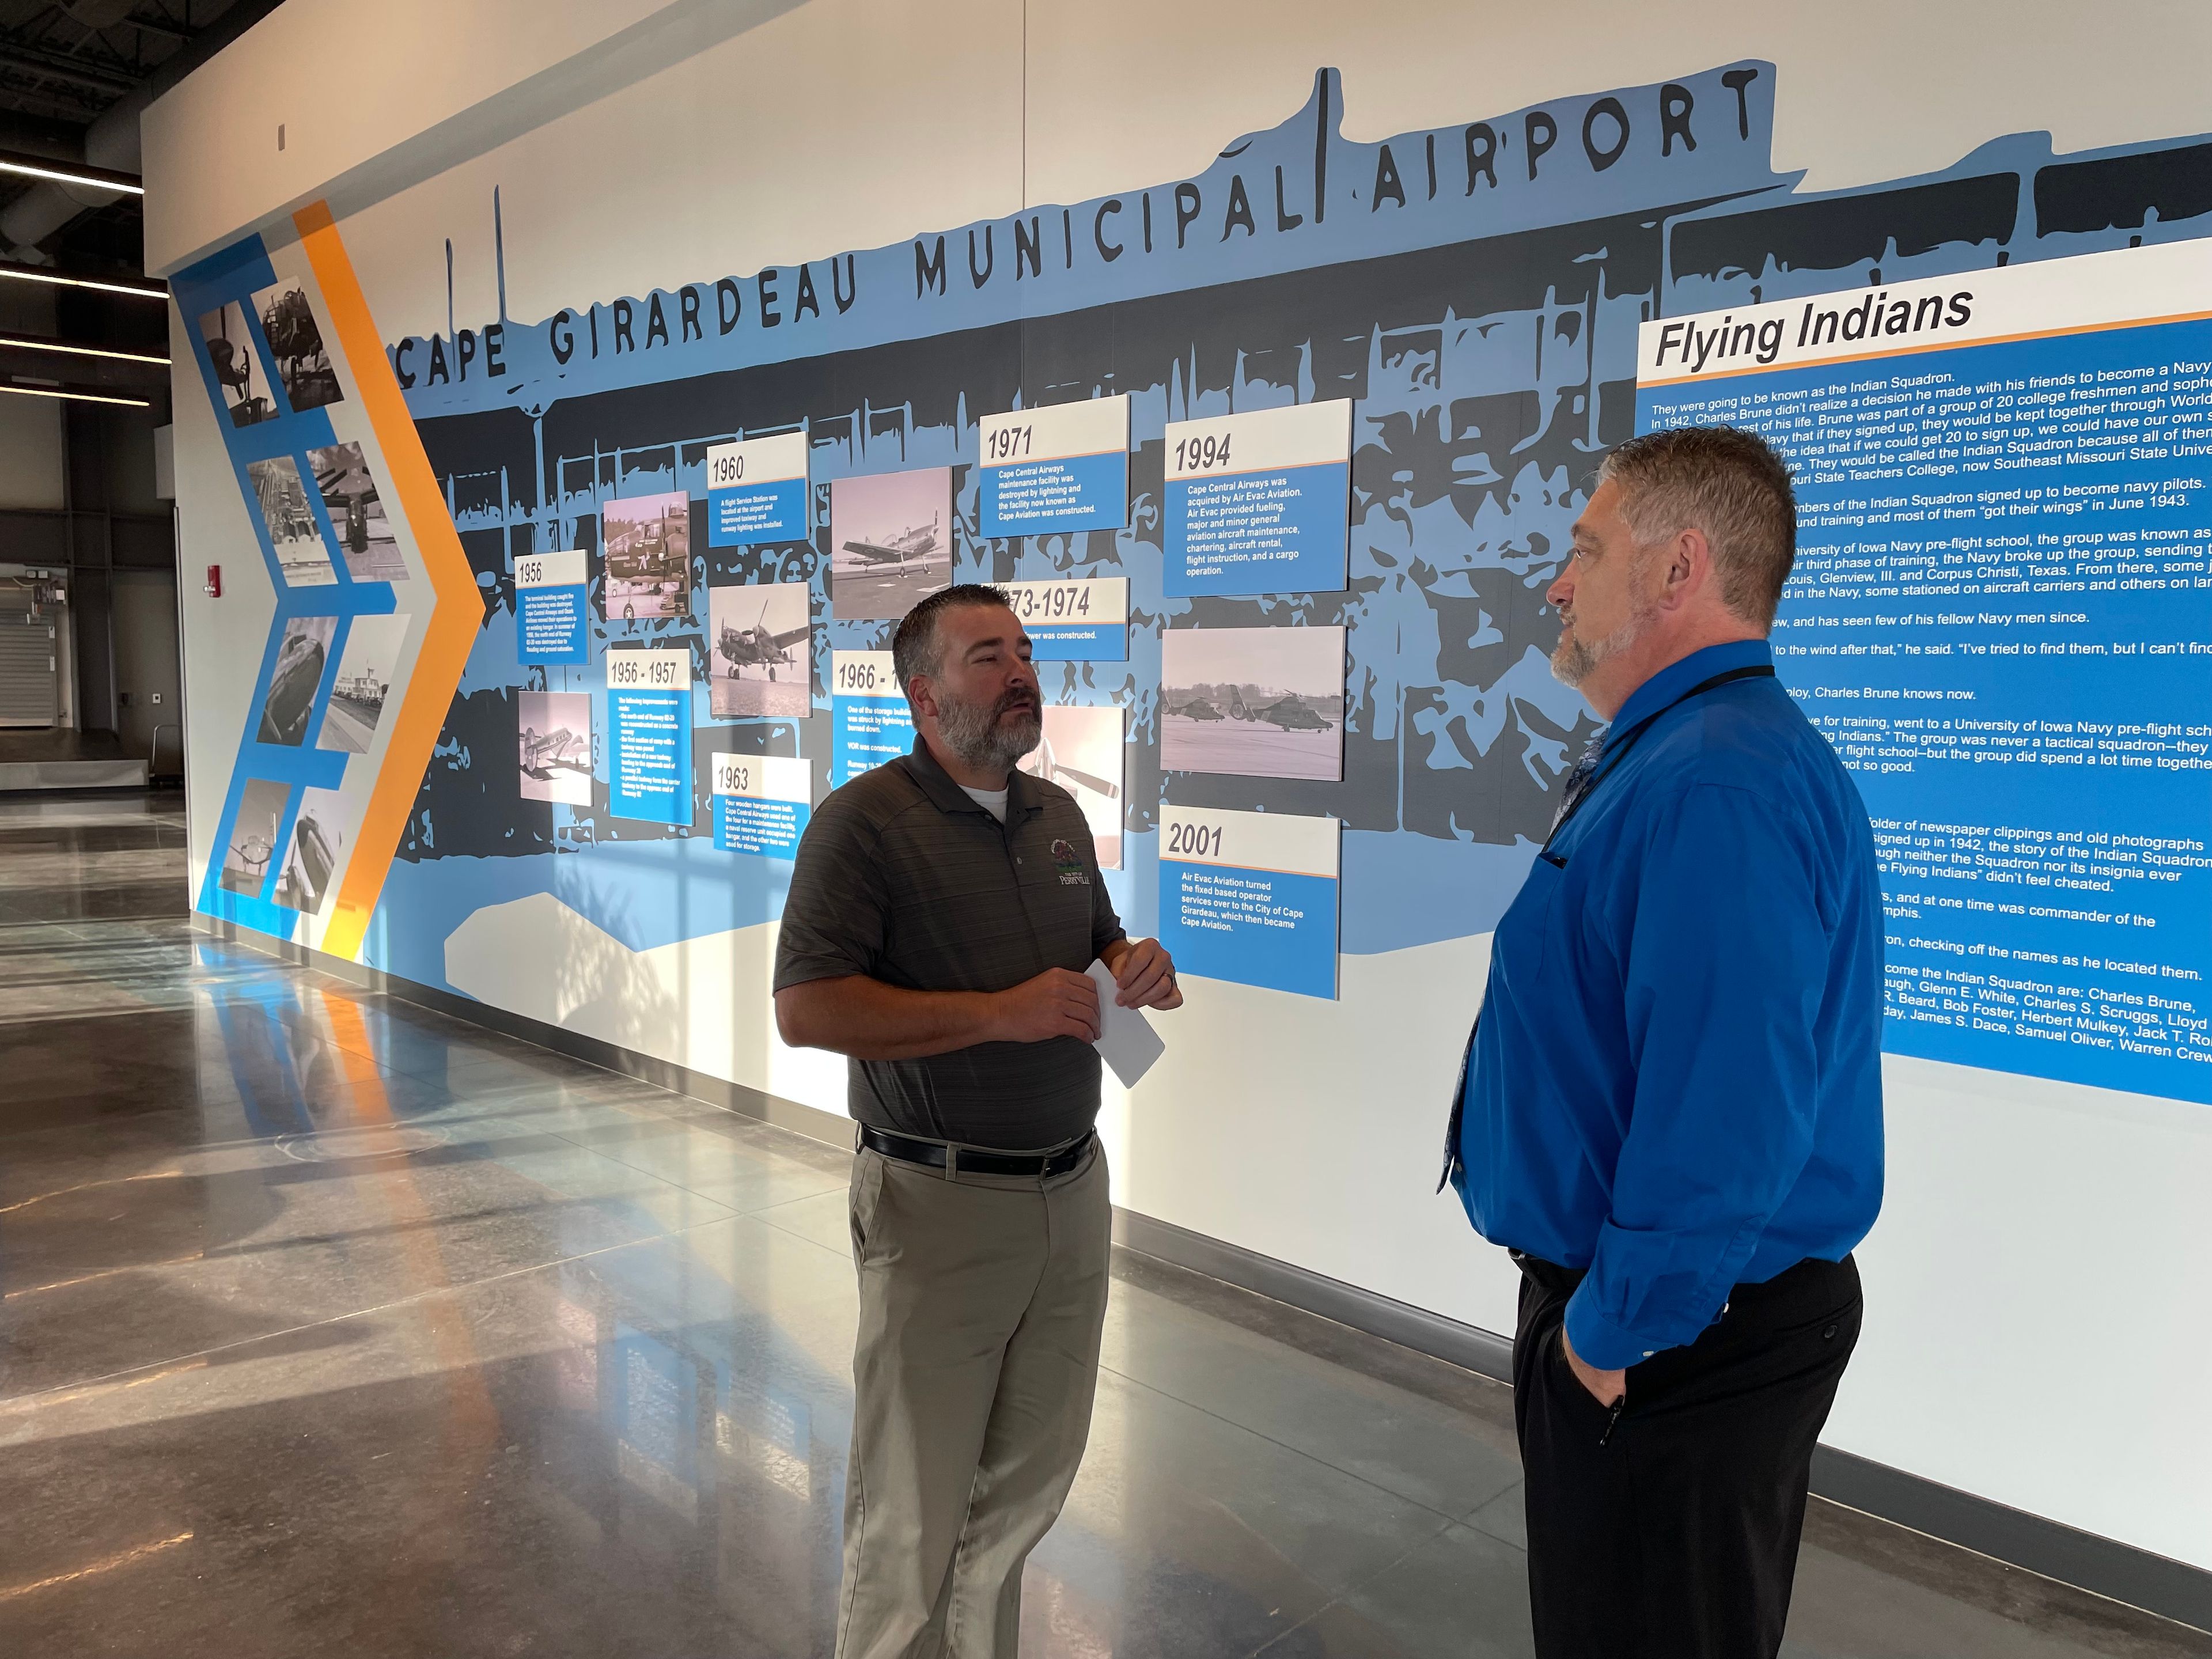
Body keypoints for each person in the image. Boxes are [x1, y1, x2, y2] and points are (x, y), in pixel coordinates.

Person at [1441, 426, 1884, 1658]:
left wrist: (1605, 1333)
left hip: (1672, 1341)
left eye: (1587, 548)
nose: (1557, 582)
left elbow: (1728, 1113)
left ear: (1679, 569)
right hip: (1670, 1324)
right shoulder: (1687, 755)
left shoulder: (1714, 782)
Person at [774, 584, 1183, 1659]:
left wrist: (1133, 962)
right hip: (936, 1204)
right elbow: (807, 1008)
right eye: (987, 657)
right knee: (910, 1513)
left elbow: (1099, 942)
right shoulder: (861, 826)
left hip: (1072, 1193)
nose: (1020, 674)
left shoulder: (1057, 817)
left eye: (1026, 653)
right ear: (924, 695)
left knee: (1023, 1491)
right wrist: (996, 1016)